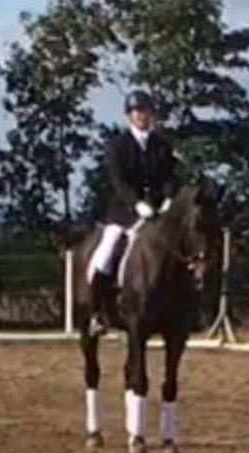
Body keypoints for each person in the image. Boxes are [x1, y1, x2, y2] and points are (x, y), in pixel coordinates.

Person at [87, 90, 180, 335]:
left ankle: (182, 310)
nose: (142, 115)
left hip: (157, 213)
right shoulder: (118, 145)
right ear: (130, 115)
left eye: (146, 111)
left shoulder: (162, 145)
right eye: (138, 111)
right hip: (124, 213)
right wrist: (136, 203)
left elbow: (169, 176)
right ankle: (97, 312)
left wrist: (168, 199)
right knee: (105, 253)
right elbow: (118, 180)